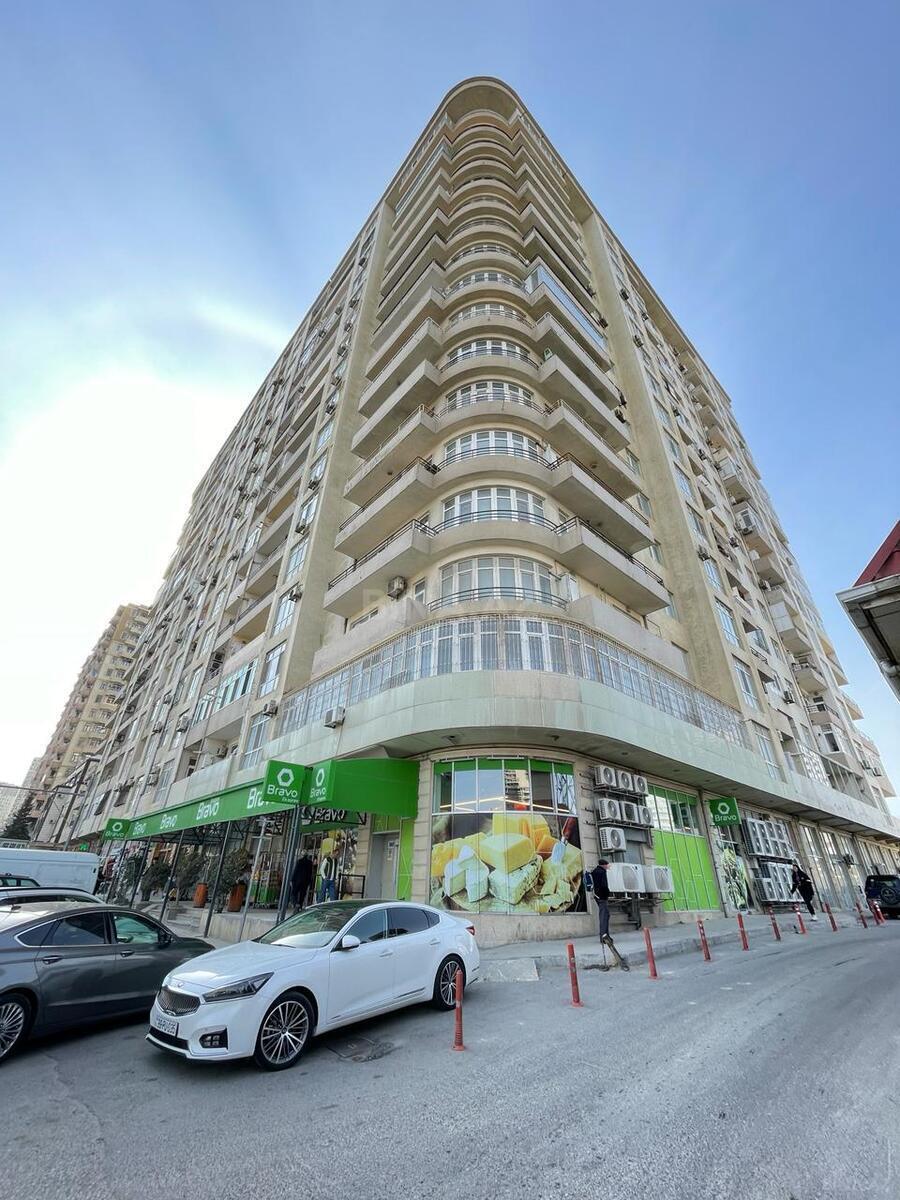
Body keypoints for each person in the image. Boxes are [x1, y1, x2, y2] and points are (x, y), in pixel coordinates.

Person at [590, 858, 611, 940]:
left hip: (597, 896)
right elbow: (604, 885)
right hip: (602, 897)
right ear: (604, 865)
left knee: (606, 915)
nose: (607, 867)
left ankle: (605, 936)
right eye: (607, 865)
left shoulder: (594, 871)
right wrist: (607, 894)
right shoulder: (602, 872)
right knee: (604, 917)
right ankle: (604, 937)